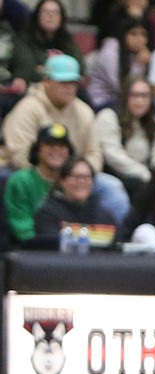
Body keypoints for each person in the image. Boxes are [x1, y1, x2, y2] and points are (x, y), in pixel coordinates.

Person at [1, 54, 131, 224]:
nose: (69, 88)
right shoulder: (27, 108)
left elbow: (94, 153)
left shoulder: (84, 111)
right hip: (31, 171)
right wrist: (52, 174)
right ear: (46, 81)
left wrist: (77, 176)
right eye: (63, 83)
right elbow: (19, 155)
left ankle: (117, 239)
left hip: (73, 175)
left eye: (73, 83)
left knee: (111, 187)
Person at [94, 76, 155, 203]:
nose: (140, 101)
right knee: (139, 185)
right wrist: (144, 174)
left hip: (147, 176)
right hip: (115, 176)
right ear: (125, 97)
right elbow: (112, 155)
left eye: (145, 96)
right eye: (134, 95)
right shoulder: (109, 116)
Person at [4, 121, 71, 244]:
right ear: (38, 150)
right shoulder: (21, 181)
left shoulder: (73, 181)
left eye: (62, 145)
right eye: (50, 144)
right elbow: (22, 226)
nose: (56, 149)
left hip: (70, 248)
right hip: (31, 250)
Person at [33, 155, 118, 247]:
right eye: (76, 177)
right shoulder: (47, 214)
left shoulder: (105, 216)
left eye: (86, 177)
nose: (81, 182)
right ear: (62, 181)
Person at [87, 17, 152, 111]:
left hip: (125, 100)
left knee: (153, 103)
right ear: (123, 35)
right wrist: (138, 65)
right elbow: (122, 89)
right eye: (133, 34)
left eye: (143, 35)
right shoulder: (109, 51)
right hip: (102, 102)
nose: (139, 39)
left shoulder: (138, 54)